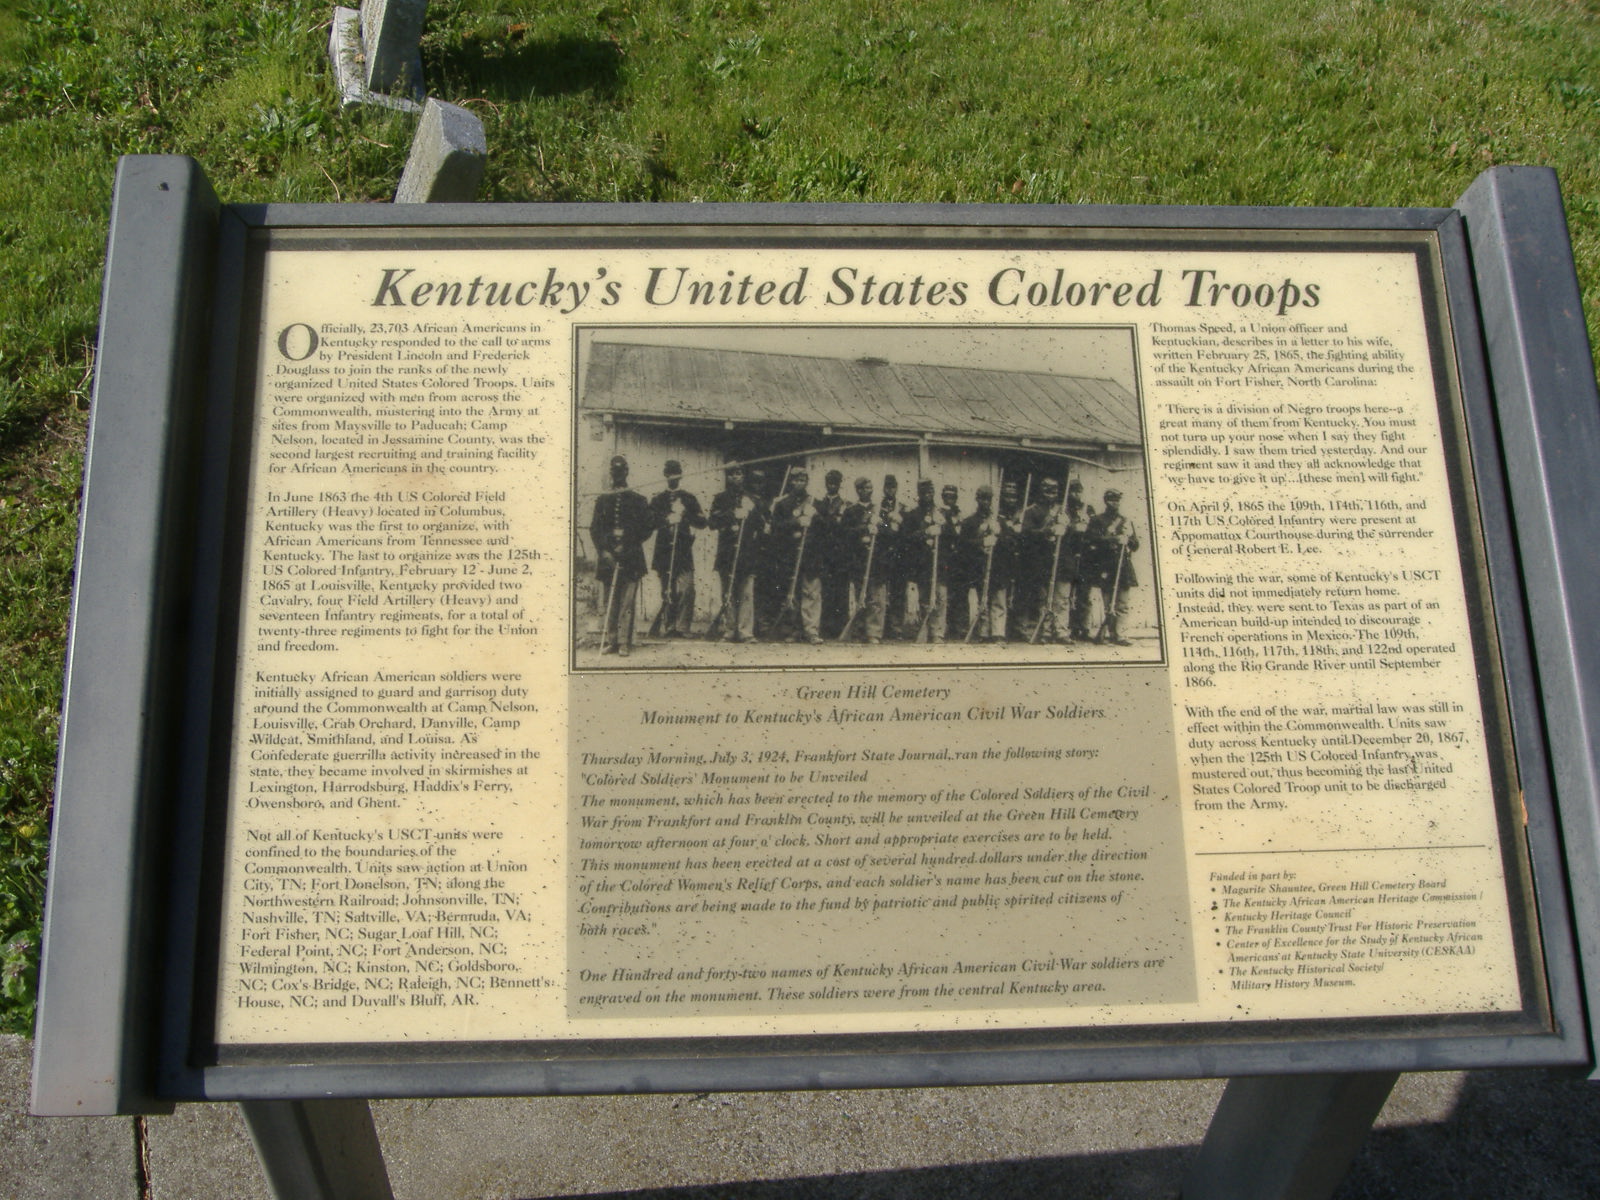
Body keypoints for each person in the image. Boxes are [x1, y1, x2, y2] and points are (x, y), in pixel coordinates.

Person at [589, 454, 652, 656]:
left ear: (627, 472)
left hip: (631, 557)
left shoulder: (637, 500)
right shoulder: (603, 500)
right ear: (611, 473)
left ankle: (625, 642)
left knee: (627, 603)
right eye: (614, 471)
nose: (617, 475)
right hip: (608, 559)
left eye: (621, 471)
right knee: (611, 602)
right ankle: (611, 640)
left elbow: (646, 528)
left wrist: (627, 544)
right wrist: (605, 550)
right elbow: (595, 529)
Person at [706, 463, 764, 643]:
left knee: (746, 593)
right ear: (727, 477)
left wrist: (751, 513)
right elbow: (712, 522)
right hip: (727, 553)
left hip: (746, 553)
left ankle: (745, 632)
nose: (735, 478)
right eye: (731, 475)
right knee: (728, 592)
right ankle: (730, 631)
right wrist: (732, 514)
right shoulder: (720, 499)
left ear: (743, 476)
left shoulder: (753, 499)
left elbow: (762, 525)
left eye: (738, 474)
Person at [648, 459, 706, 637]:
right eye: (670, 473)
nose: (673, 476)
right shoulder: (658, 499)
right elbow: (648, 522)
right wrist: (666, 520)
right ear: (665, 475)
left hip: (683, 550)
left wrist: (685, 515)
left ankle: (683, 627)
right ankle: (669, 626)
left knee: (687, 589)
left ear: (681, 475)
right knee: (668, 590)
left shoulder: (689, 498)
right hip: (664, 551)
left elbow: (703, 522)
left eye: (677, 473)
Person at [1077, 488, 1140, 645]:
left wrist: (1128, 540)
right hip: (1106, 565)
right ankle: (1110, 632)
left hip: (1123, 566)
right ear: (1106, 501)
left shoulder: (1126, 521)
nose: (1115, 503)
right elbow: (1091, 540)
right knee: (1108, 603)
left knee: (1123, 603)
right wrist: (1114, 540)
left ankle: (1120, 635)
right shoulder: (1097, 520)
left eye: (1117, 500)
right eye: (1112, 500)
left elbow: (1136, 544)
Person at [771, 468, 825, 643]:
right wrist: (796, 522)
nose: (799, 483)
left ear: (807, 482)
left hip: (810, 555)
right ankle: (792, 630)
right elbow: (775, 528)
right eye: (796, 480)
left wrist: (815, 516)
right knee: (791, 592)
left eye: (802, 480)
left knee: (811, 593)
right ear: (790, 482)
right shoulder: (782, 504)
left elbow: (828, 528)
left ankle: (811, 631)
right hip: (790, 555)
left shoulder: (815, 502)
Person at [1020, 478, 1073, 644]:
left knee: (1062, 599)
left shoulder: (1063, 512)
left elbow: (1073, 539)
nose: (1051, 493)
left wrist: (1067, 528)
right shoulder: (1031, 511)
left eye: (1054, 490)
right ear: (1040, 490)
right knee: (1043, 599)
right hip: (1042, 561)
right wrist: (1049, 530)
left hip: (1062, 562)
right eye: (1047, 489)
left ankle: (1061, 632)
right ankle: (1045, 631)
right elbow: (1026, 535)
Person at [899, 480, 951, 642]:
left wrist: (943, 527)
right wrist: (925, 532)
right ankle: (924, 628)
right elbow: (906, 538)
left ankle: (938, 633)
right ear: (919, 494)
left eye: (930, 492)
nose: (928, 495)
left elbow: (953, 538)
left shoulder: (942, 513)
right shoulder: (913, 514)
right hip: (922, 564)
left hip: (939, 563)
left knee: (940, 597)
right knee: (924, 598)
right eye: (924, 492)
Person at [958, 485, 1003, 641]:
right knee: (981, 599)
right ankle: (983, 632)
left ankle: (998, 632)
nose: (985, 502)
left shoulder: (998, 520)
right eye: (982, 498)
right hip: (978, 566)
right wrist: (982, 541)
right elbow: (963, 544)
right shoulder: (969, 522)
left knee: (997, 599)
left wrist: (999, 534)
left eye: (988, 498)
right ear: (977, 499)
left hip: (996, 566)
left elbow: (1010, 543)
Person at [816, 469, 852, 639]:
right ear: (826, 484)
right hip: (823, 553)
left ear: (839, 485)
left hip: (840, 554)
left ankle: (840, 628)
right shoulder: (818, 504)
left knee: (841, 591)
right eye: (829, 482)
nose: (832, 486)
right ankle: (824, 627)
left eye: (835, 483)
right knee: (825, 591)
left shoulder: (846, 504)